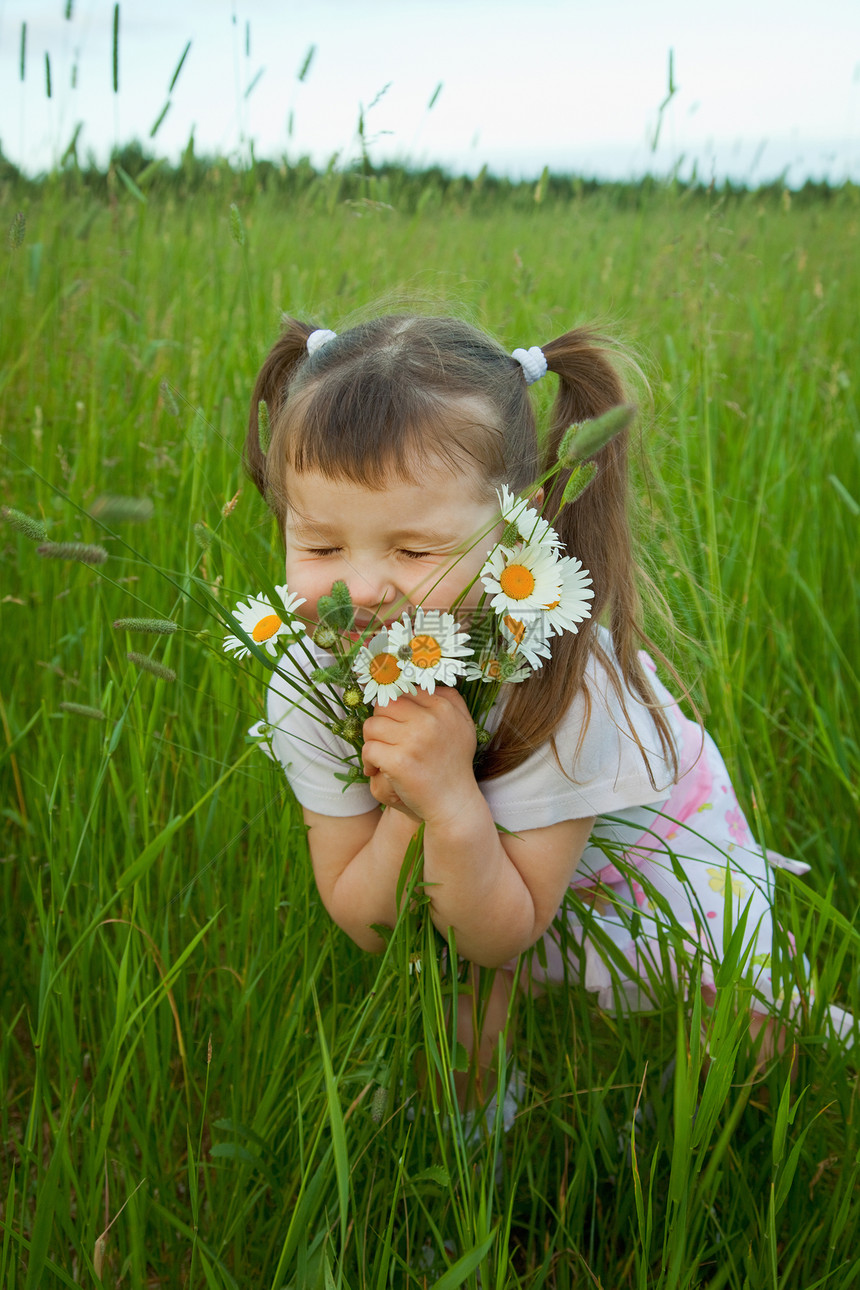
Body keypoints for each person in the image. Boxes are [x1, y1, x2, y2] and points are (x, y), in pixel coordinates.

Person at [242, 313, 853, 1098]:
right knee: (452, 973)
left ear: (516, 531)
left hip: (646, 853)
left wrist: (452, 802)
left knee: (746, 1034)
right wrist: (414, 808)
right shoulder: (309, 679)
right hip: (489, 872)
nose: (360, 588)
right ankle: (472, 1148)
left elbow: (505, 929)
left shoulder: (568, 688)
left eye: (415, 550)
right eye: (322, 547)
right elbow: (372, 922)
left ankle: (700, 1145)